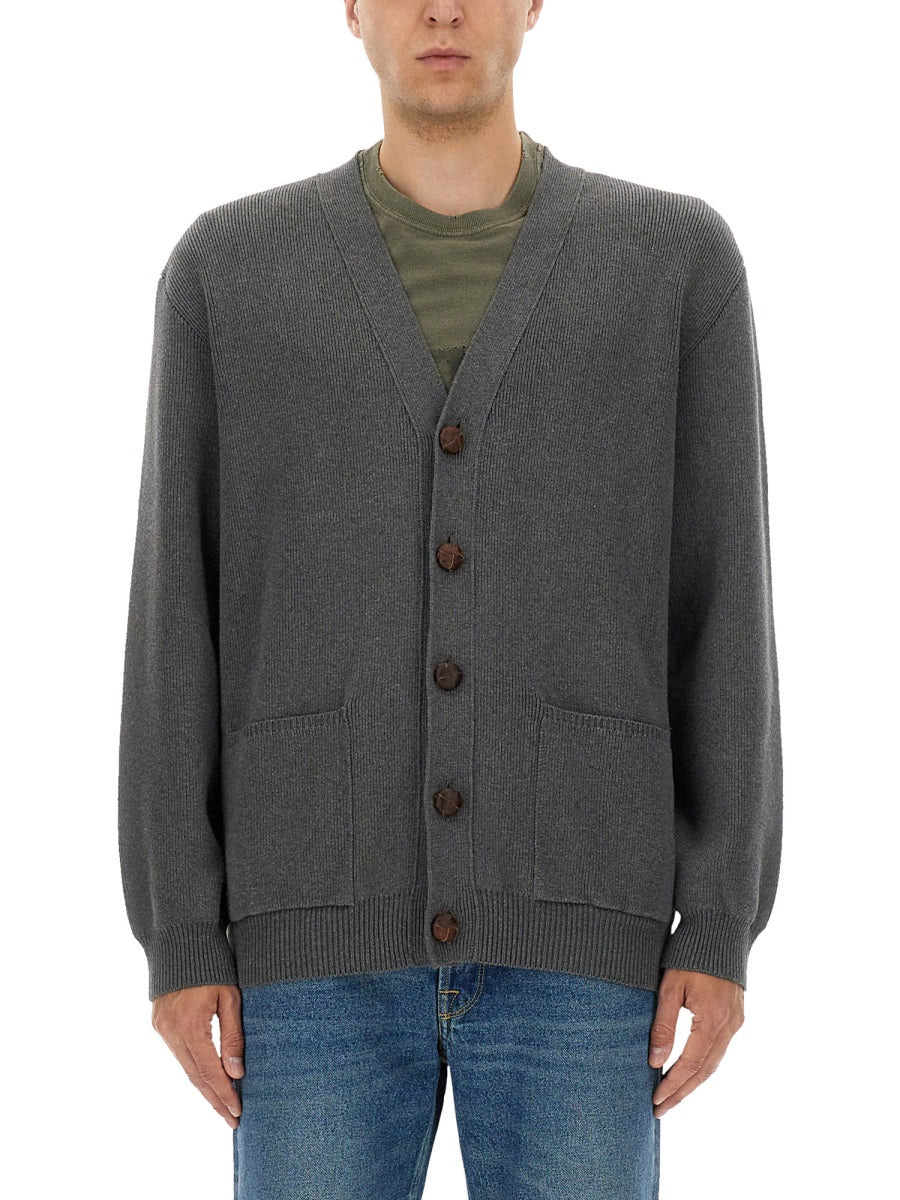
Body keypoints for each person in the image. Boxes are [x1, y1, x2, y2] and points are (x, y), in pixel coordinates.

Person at [117, 2, 783, 1197]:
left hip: (587, 930)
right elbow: (176, 618)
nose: (441, 9)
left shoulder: (671, 266)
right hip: (304, 942)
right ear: (350, 8)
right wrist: (178, 930)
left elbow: (725, 603)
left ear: (533, 4)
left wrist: (723, 918)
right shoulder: (229, 274)